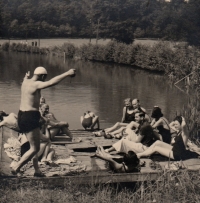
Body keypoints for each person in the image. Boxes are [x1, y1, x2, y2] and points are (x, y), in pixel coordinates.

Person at [11, 66, 76, 177]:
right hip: (30, 117)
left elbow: (27, 79)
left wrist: (26, 76)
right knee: (35, 148)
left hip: (22, 115)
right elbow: (51, 83)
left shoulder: (25, 81)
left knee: (34, 144)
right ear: (42, 76)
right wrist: (67, 73)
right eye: (44, 78)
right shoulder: (36, 84)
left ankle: (37, 171)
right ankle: (17, 167)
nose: (44, 80)